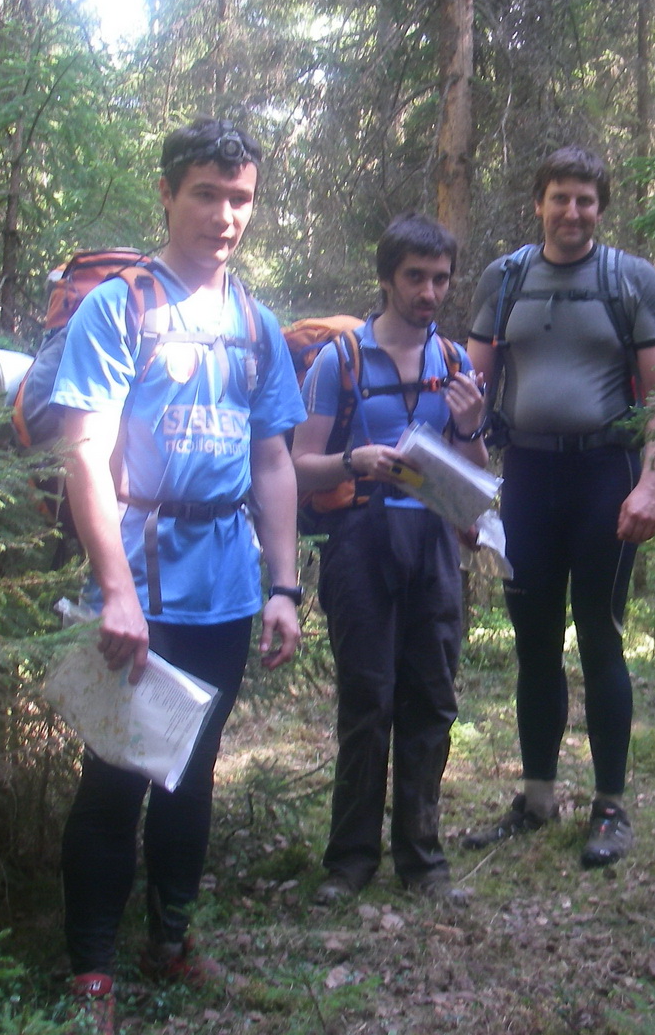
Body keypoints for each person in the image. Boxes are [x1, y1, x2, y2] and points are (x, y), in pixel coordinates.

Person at [52, 116, 306, 1031]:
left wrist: (284, 586)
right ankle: (92, 970)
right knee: (117, 773)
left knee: (192, 771)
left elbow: (272, 459)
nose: (224, 215)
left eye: (240, 198)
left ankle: (171, 937)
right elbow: (85, 451)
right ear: (166, 195)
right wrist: (115, 590)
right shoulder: (118, 307)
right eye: (206, 193)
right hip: (139, 579)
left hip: (226, 585)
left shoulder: (256, 324)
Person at [463, 145, 655, 870]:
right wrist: (467, 487)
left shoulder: (631, 279)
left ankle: (610, 806)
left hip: (605, 478)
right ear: (539, 203)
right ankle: (536, 798)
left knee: (600, 640)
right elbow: (471, 390)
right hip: (526, 476)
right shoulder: (506, 278)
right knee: (533, 644)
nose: (573, 212)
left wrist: (652, 485)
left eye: (586, 200)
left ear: (600, 208)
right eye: (560, 197)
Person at [292, 213, 487, 906]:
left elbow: (475, 476)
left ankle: (422, 859)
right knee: (367, 701)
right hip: (359, 542)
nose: (429, 292)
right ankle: (349, 861)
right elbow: (298, 465)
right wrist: (355, 460)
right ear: (386, 278)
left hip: (432, 544)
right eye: (415, 277)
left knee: (431, 700)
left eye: (441, 279)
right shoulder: (338, 361)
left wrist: (470, 425)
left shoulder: (456, 364)